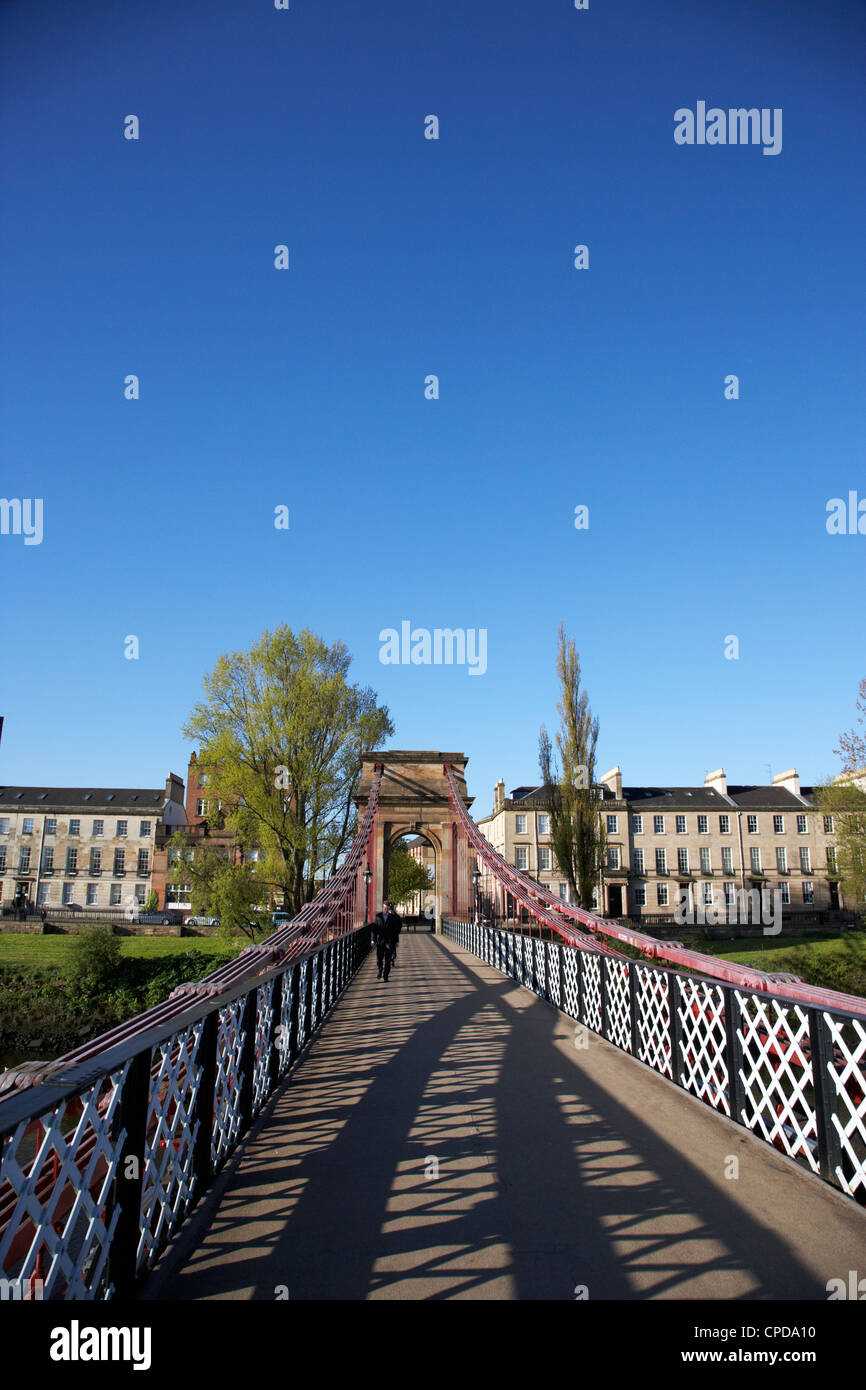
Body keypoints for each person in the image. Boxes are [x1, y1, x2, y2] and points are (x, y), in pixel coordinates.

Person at [371, 901, 401, 981]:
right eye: (384, 908)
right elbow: (374, 929)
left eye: (387, 908)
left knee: (388, 960)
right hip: (380, 941)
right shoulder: (378, 917)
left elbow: (395, 931)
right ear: (382, 908)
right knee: (379, 959)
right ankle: (380, 970)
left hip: (389, 941)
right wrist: (372, 940)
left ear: (388, 909)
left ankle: (385, 975)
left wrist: (397, 941)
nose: (385, 909)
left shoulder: (392, 917)